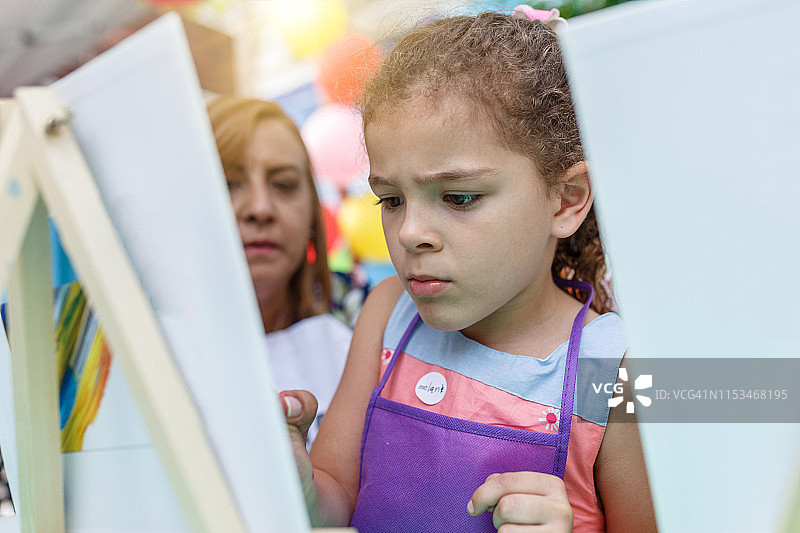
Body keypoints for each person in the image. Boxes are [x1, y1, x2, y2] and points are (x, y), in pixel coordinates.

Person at [280, 8, 657, 532]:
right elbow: (336, 496)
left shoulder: (608, 367)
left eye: (458, 197)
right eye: (390, 199)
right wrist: (297, 484)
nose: (410, 232)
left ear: (566, 200)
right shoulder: (387, 311)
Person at [207, 96, 358, 444]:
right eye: (229, 182)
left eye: (284, 184)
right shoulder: (133, 341)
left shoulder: (367, 320)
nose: (260, 208)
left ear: (311, 211)